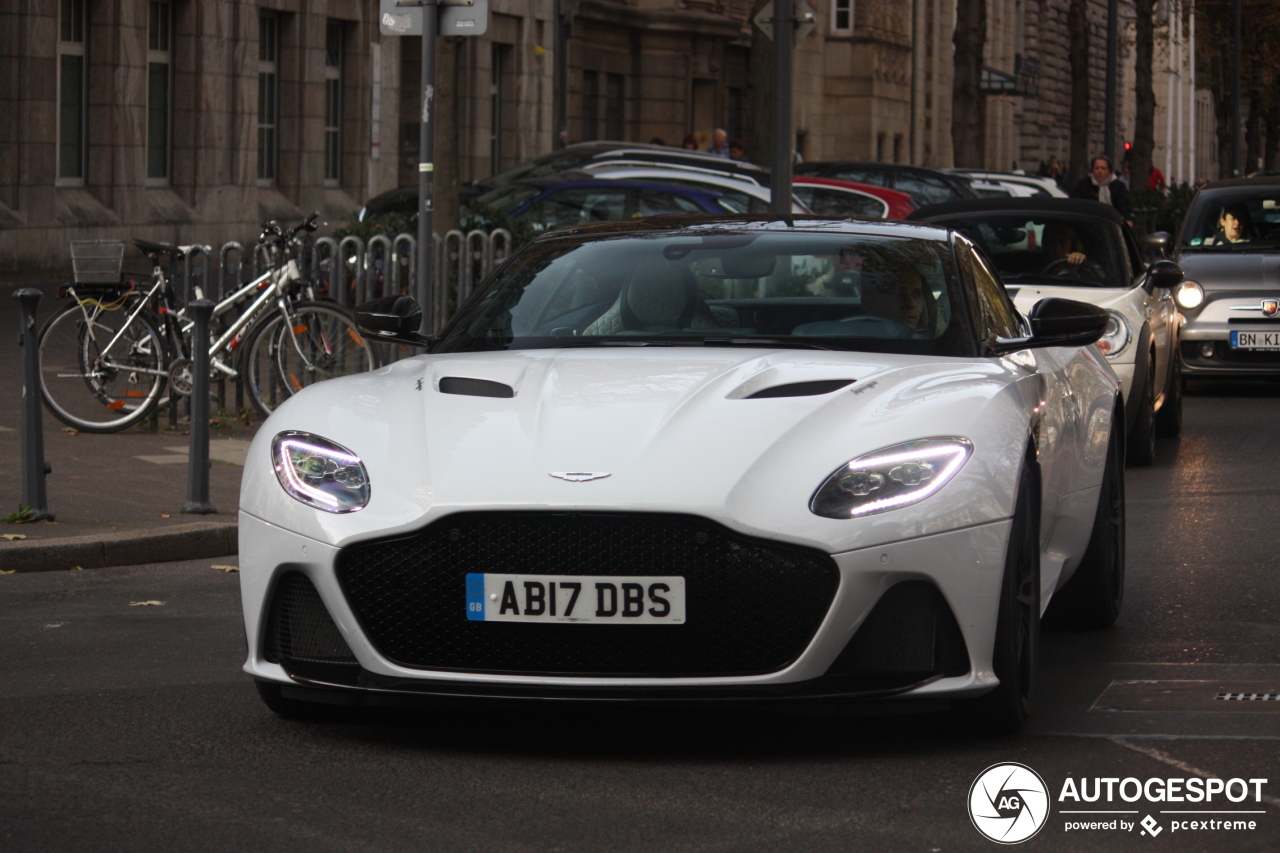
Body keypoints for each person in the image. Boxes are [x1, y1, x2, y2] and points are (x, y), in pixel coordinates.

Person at [1071, 155, 1133, 224]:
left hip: (1112, 223)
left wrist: (1127, 219)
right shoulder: (1084, 185)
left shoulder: (1118, 186)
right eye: (1097, 168)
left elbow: (1124, 206)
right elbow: (1076, 203)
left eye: (1103, 168)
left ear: (1109, 171)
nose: (1100, 171)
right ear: (1092, 170)